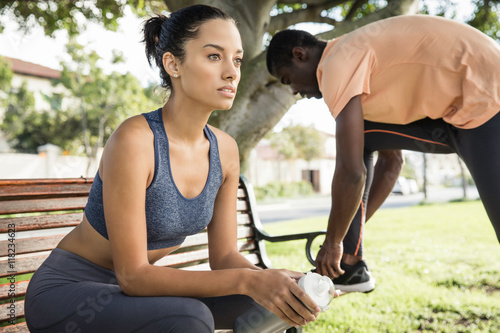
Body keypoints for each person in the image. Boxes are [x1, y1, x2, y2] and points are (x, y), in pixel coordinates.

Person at [24, 5, 322, 332]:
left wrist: (278, 281)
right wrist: (247, 282)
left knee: (275, 304)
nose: (232, 72)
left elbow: (224, 258)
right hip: (68, 294)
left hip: (131, 296)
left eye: (236, 59)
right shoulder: (135, 141)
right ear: (173, 64)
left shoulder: (225, 150)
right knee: (190, 318)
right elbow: (134, 275)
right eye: (214, 56)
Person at [266, 14, 500, 294]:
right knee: (361, 136)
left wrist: (333, 241)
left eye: (287, 78)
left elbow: (351, 172)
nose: (293, 90)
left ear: (299, 54)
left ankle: (347, 256)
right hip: (457, 111)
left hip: (486, 98)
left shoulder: (337, 65)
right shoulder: (353, 63)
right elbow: (392, 162)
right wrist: (346, 234)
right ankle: (350, 265)